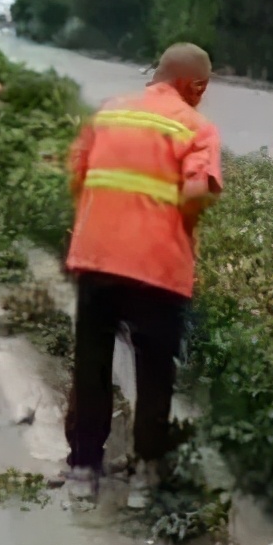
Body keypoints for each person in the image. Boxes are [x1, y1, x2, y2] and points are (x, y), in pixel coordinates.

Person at [63, 43, 223, 506]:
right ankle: (145, 473)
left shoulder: (110, 113)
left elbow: (77, 173)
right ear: (196, 86)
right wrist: (182, 231)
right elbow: (197, 192)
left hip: (96, 258)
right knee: (154, 371)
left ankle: (83, 468)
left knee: (91, 363)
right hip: (157, 266)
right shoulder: (196, 127)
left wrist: (97, 221)